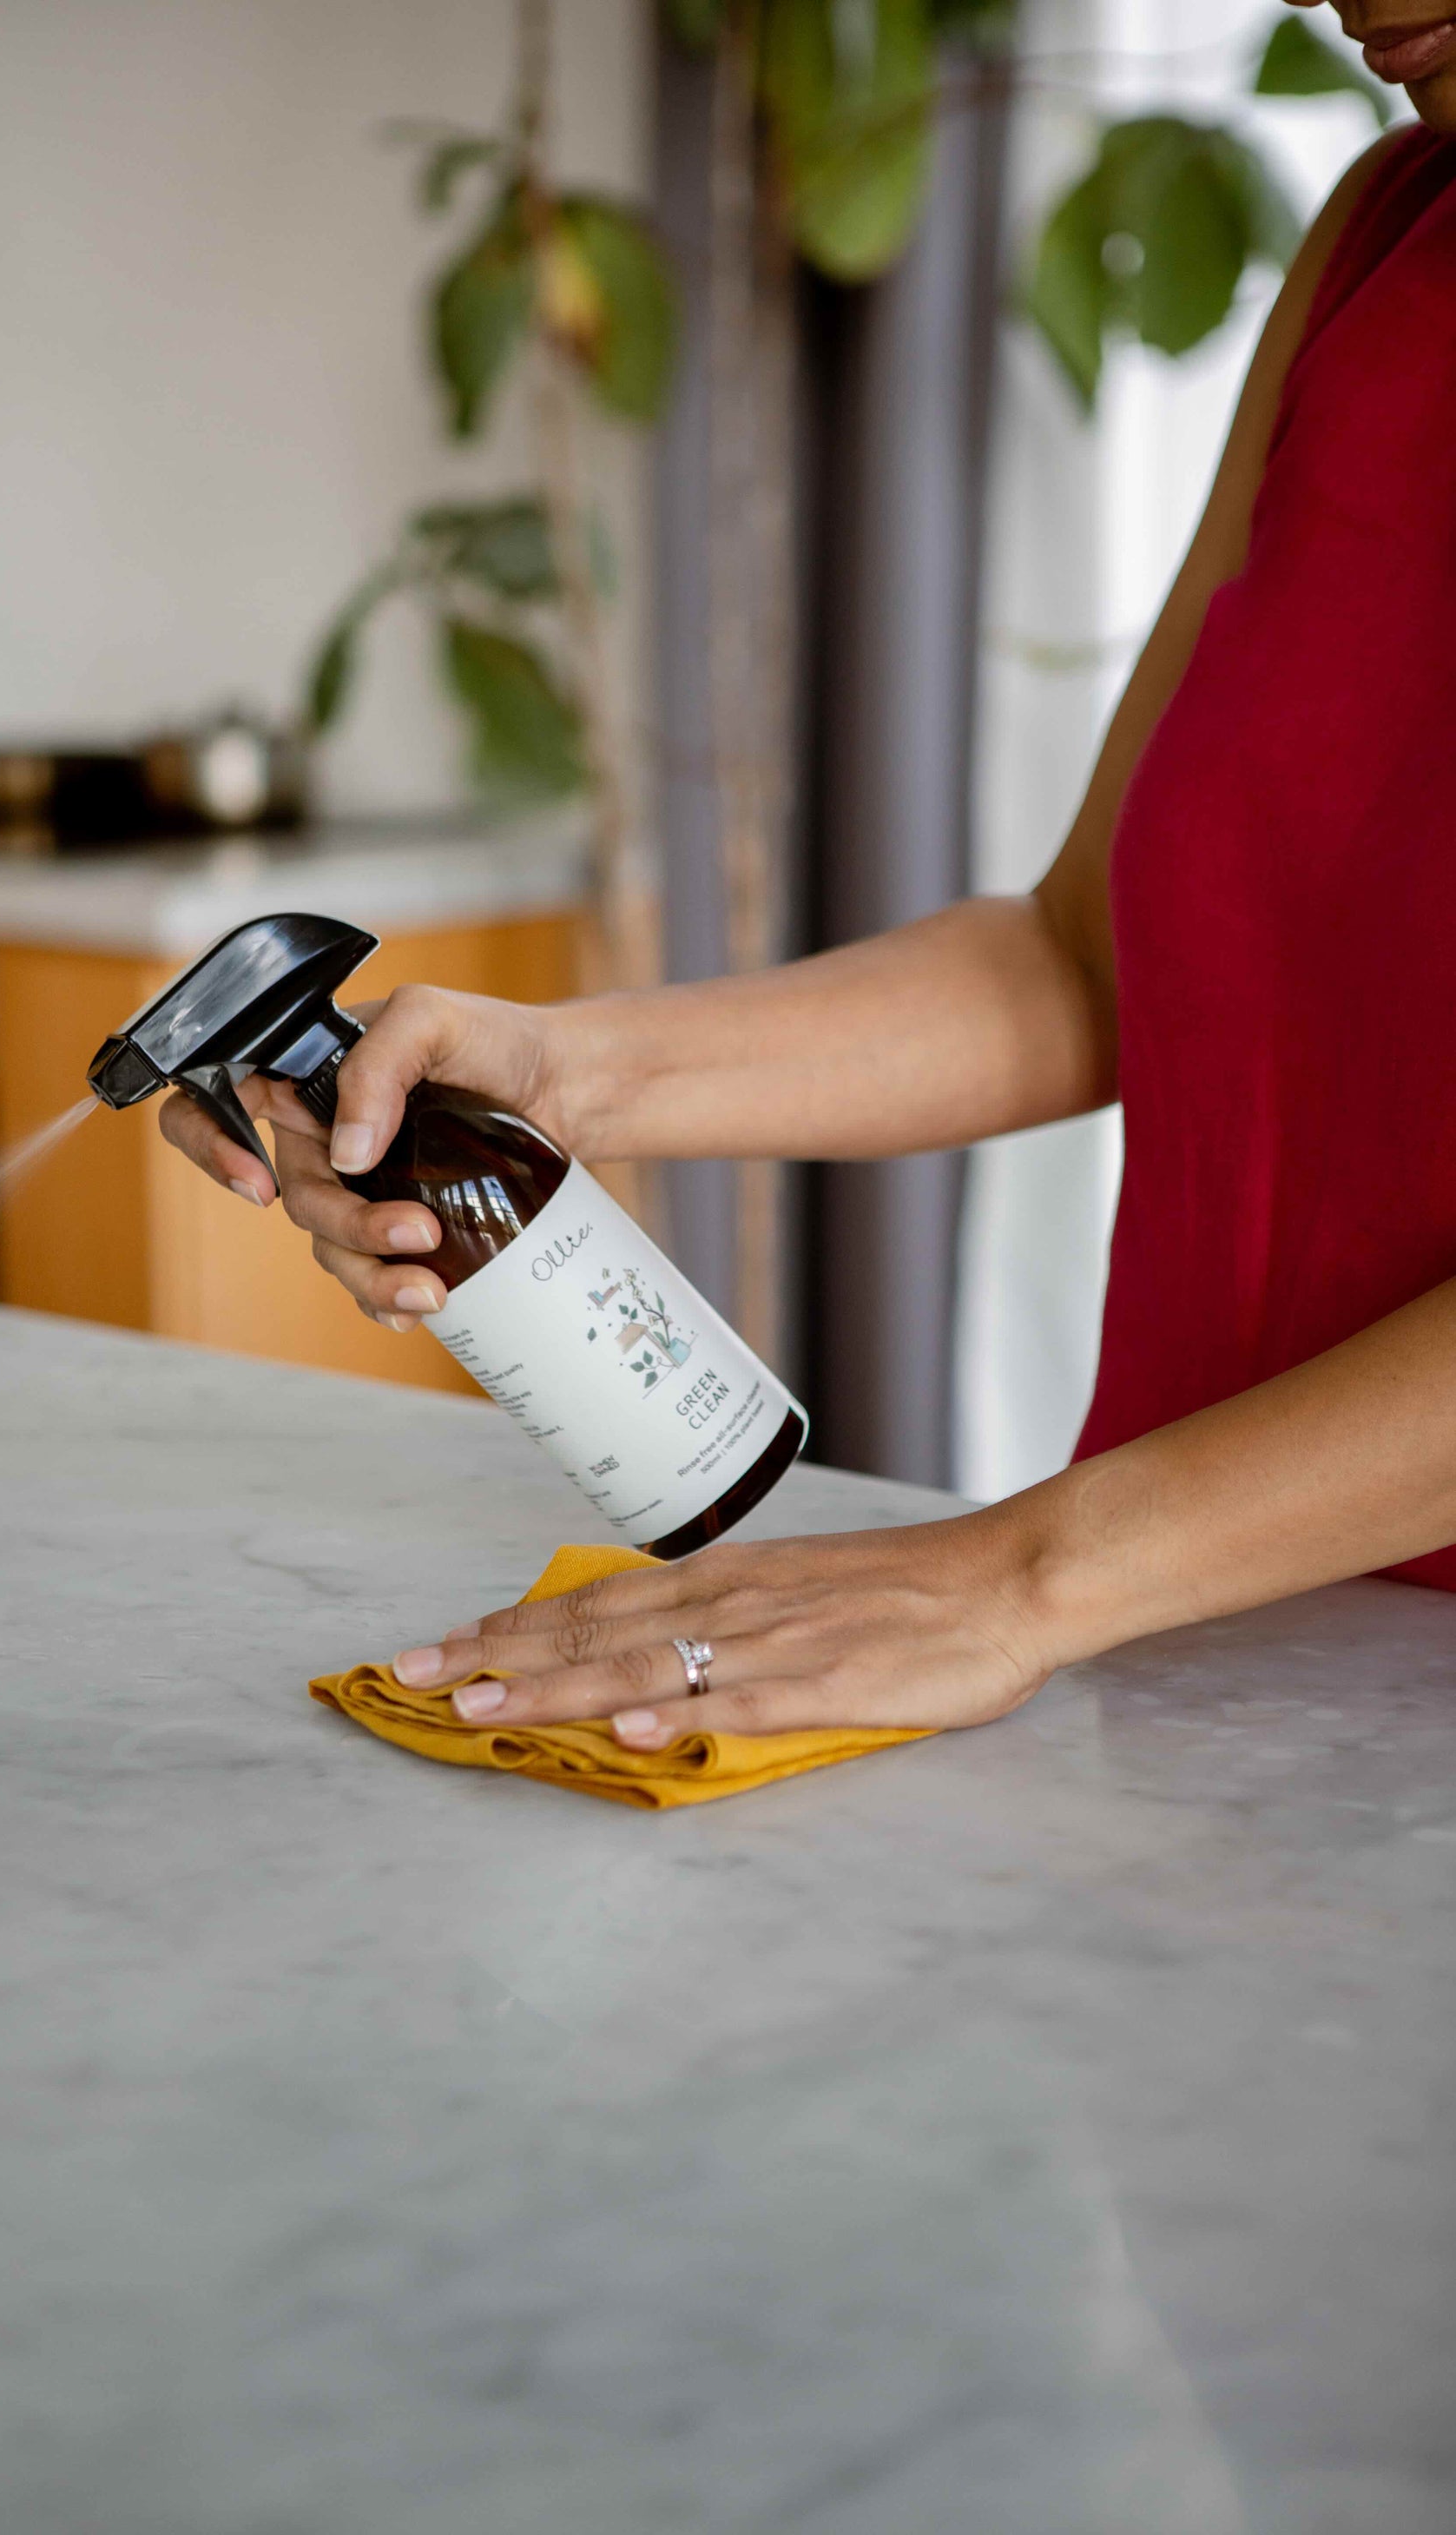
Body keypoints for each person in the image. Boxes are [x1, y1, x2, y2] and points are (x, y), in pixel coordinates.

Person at [163, 0, 1456, 1753]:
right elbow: (1084, 966)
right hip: (1199, 1646)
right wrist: (560, 1073)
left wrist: (1014, 1578)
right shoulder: (1381, 241)